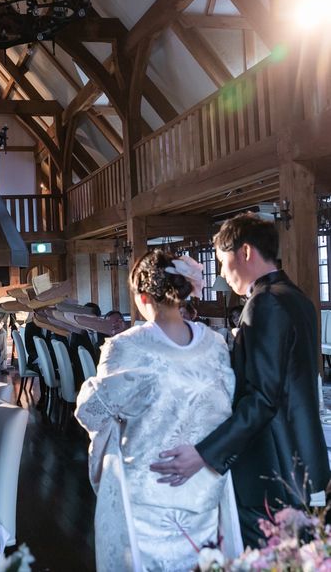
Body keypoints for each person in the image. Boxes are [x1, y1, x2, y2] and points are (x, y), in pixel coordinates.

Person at [150, 213, 331, 549]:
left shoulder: (265, 303)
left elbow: (262, 399)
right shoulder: (298, 297)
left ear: (245, 252)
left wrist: (204, 454)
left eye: (222, 261)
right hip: (304, 458)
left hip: (273, 467)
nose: (221, 272)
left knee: (272, 561)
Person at [75, 250, 240, 571]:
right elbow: (226, 409)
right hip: (203, 489)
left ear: (143, 297)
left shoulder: (127, 346)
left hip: (148, 494)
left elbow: (91, 412)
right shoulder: (216, 345)